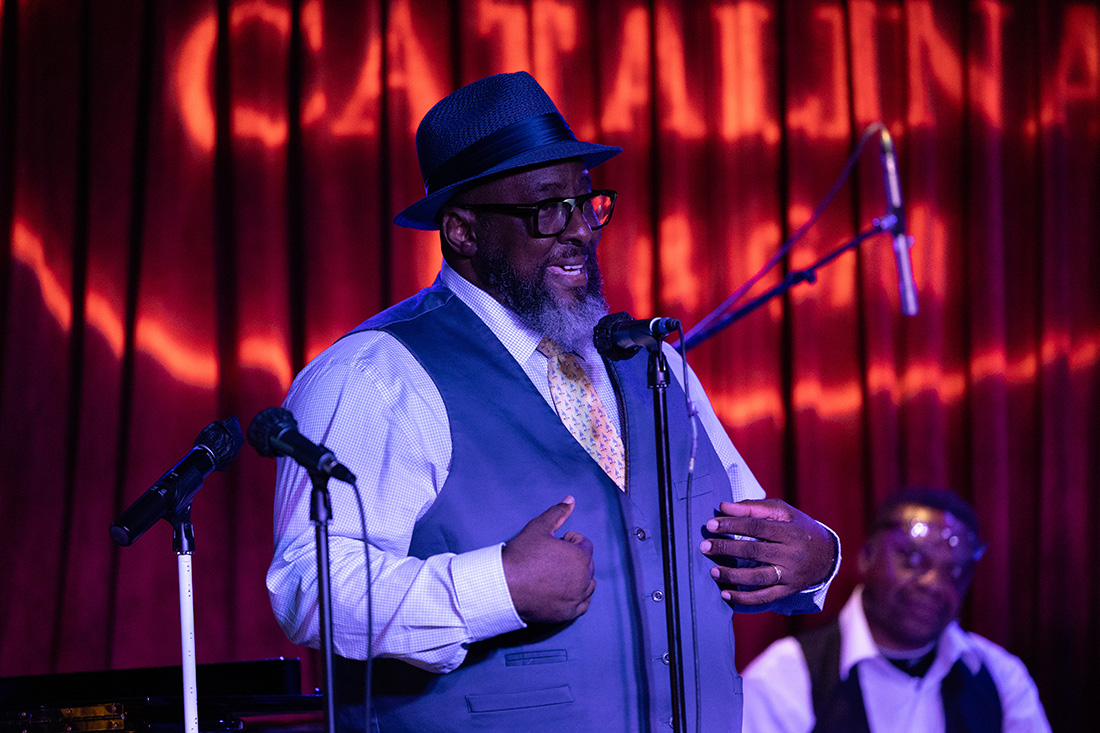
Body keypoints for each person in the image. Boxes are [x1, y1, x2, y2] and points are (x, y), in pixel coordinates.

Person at [266, 70, 840, 732]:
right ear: (462, 231)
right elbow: (309, 588)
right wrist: (496, 588)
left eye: (586, 203)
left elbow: (744, 536)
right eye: (546, 209)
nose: (579, 231)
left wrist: (815, 557)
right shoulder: (376, 375)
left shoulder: (654, 364)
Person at [742, 488, 1051, 733]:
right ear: (866, 556)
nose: (934, 583)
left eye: (954, 571)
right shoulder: (784, 678)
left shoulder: (1000, 677)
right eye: (913, 560)